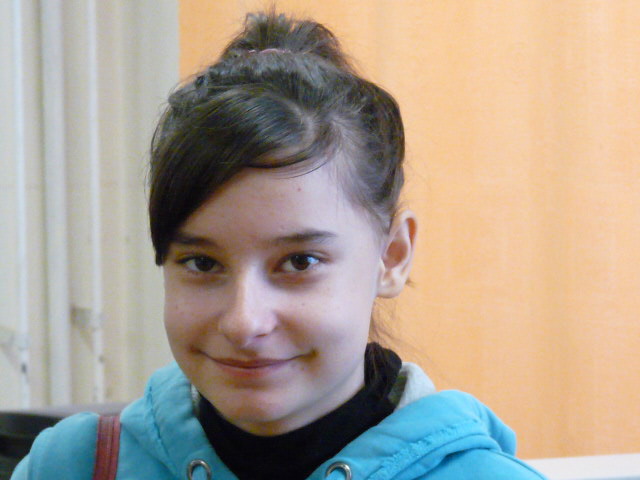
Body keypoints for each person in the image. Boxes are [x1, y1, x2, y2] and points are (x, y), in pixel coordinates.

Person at [12, 11, 547, 480]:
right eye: (202, 263)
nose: (244, 322)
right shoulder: (74, 467)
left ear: (392, 256)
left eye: (298, 262)